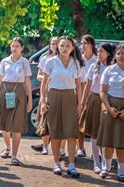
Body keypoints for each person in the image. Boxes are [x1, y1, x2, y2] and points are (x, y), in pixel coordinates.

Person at [39, 36, 83, 178]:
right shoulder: (50, 62)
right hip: (54, 97)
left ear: (72, 48)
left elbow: (78, 86)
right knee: (55, 132)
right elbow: (44, 84)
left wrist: (80, 104)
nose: (64, 48)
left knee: (71, 133)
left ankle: (71, 165)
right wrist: (43, 101)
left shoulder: (76, 63)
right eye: (62, 45)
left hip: (70, 98)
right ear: (57, 46)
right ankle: (56, 164)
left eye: (68, 46)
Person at [0, 37, 33, 166]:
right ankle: (7, 147)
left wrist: (30, 99)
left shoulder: (24, 62)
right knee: (4, 125)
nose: (14, 48)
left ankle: (14, 155)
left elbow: (27, 81)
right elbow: (0, 80)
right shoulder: (4, 61)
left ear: (22, 48)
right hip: (5, 91)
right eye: (13, 46)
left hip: (18, 92)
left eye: (17, 46)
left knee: (17, 125)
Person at [79, 43, 116, 174]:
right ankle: (96, 162)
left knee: (107, 134)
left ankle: (107, 164)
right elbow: (87, 86)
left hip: (109, 101)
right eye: (98, 51)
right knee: (95, 133)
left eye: (102, 51)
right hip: (94, 100)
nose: (99, 53)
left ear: (109, 53)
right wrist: (82, 104)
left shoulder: (113, 68)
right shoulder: (94, 67)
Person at [97, 43, 124, 182]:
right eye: (119, 53)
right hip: (110, 106)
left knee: (121, 142)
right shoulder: (109, 70)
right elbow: (102, 92)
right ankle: (106, 168)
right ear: (115, 55)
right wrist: (109, 108)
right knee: (108, 141)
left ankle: (121, 171)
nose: (121, 56)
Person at [32, 37, 58, 155]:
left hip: (60, 92)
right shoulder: (45, 58)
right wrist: (48, 79)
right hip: (47, 92)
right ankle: (45, 147)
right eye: (53, 43)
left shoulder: (66, 59)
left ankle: (59, 149)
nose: (55, 46)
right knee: (45, 120)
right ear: (49, 45)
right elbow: (39, 75)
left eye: (57, 43)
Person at [77, 34, 98, 157]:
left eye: (85, 43)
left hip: (94, 94)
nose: (82, 46)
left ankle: (96, 151)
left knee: (94, 123)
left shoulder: (97, 60)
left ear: (91, 45)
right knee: (80, 121)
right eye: (81, 43)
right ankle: (80, 148)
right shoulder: (79, 60)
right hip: (80, 93)